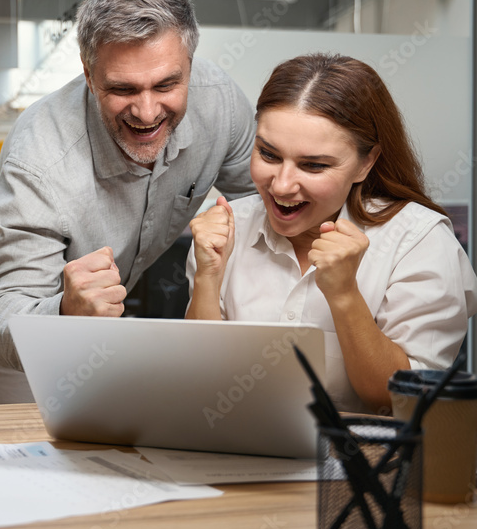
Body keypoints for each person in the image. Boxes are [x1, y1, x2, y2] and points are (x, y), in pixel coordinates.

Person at [0, 0, 258, 404]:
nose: (148, 112)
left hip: (107, 291)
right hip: (17, 295)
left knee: (97, 427)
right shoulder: (41, 158)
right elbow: (5, 317)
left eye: (167, 85)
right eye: (123, 89)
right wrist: (65, 313)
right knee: (29, 437)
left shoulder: (221, 104)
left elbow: (261, 204)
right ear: (88, 73)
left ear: (189, 64)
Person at [187, 53, 477, 414]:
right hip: (233, 459)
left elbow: (400, 401)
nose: (282, 185)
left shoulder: (420, 242)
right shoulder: (228, 228)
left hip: (363, 466)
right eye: (269, 154)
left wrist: (344, 295)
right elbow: (201, 387)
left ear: (366, 163)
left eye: (313, 165)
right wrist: (208, 277)